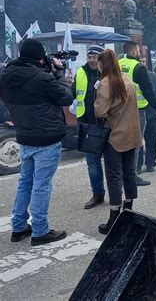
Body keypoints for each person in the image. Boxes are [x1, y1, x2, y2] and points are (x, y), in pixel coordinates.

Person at [0, 39, 73, 245]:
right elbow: (66, 97)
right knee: (41, 184)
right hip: (46, 136)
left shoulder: (5, 75)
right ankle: (40, 230)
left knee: (25, 182)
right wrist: (58, 73)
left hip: (24, 134)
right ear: (40, 57)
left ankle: (19, 226)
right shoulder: (42, 78)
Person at [94, 49, 142, 234]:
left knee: (114, 175)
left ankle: (114, 217)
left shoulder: (106, 83)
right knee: (129, 172)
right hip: (132, 133)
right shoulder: (127, 79)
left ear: (102, 64)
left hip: (114, 135)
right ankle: (128, 209)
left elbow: (100, 112)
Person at [118, 41, 156, 186]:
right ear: (133, 52)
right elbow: (147, 90)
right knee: (135, 144)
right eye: (138, 50)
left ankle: (123, 173)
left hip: (120, 110)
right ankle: (132, 176)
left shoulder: (118, 64)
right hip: (137, 110)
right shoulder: (138, 67)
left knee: (123, 143)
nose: (139, 53)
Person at [71, 44, 106, 209]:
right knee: (92, 163)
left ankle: (117, 196)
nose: (91, 60)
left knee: (114, 164)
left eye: (95, 57)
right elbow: (73, 95)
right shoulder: (81, 73)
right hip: (88, 125)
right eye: (89, 56)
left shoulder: (108, 74)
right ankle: (97, 194)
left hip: (108, 124)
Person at [137, 64, 156, 173]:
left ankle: (149, 163)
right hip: (142, 112)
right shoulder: (136, 75)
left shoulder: (152, 76)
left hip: (148, 112)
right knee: (140, 141)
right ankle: (139, 164)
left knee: (148, 140)